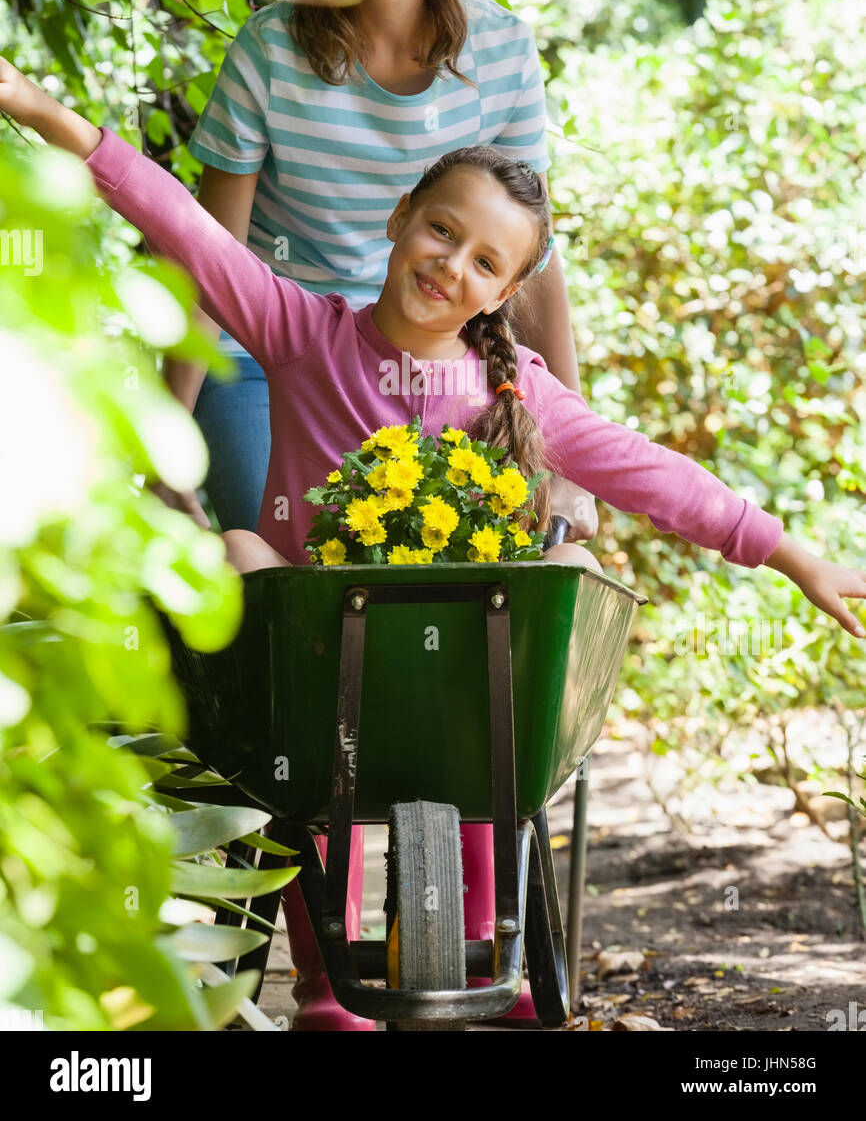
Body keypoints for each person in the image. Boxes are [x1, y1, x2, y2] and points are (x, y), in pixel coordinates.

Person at [4, 61, 865, 1036]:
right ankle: (329, 981)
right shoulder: (302, 333)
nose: (451, 265)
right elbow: (186, 228)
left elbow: (650, 473)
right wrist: (38, 108)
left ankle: (487, 947)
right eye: (441, 230)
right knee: (244, 549)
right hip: (318, 665)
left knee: (560, 574)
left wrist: (790, 553)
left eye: (484, 262)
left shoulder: (515, 393)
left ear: (502, 292)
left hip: (467, 681)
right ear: (399, 217)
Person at [159, 0, 598, 547]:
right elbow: (208, 263)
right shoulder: (269, 53)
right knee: (301, 559)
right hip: (271, 359)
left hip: (434, 354)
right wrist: (164, 458)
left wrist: (571, 461)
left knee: (459, 571)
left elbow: (535, 262)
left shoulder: (501, 51)